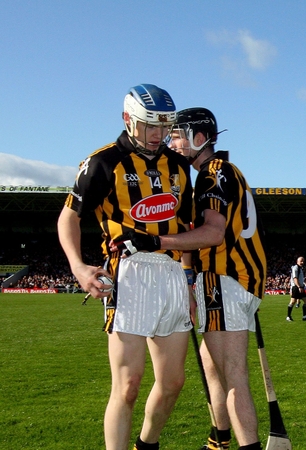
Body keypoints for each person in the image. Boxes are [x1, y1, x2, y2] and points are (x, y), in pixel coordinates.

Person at [112, 107, 268, 450]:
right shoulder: (225, 170)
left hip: (224, 277)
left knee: (233, 375)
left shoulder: (212, 173)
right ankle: (218, 440)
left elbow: (213, 233)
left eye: (177, 136)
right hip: (236, 279)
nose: (171, 143)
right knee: (212, 367)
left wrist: (156, 241)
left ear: (199, 138)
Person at [57, 84, 194, 450]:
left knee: (173, 383)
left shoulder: (179, 165)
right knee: (128, 385)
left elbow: (186, 228)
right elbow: (69, 217)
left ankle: (146, 445)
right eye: (149, 125)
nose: (157, 134)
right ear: (127, 119)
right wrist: (78, 267)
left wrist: (188, 280)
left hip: (171, 271)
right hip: (128, 272)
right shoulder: (103, 162)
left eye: (164, 127)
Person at [287, 256, 306, 321]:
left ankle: (304, 316)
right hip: (296, 287)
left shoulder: (300, 268)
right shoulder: (295, 268)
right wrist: (299, 287)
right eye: (301, 261)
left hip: (300, 287)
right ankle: (288, 316)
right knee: (293, 302)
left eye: (303, 261)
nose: (302, 262)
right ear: (297, 261)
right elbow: (295, 278)